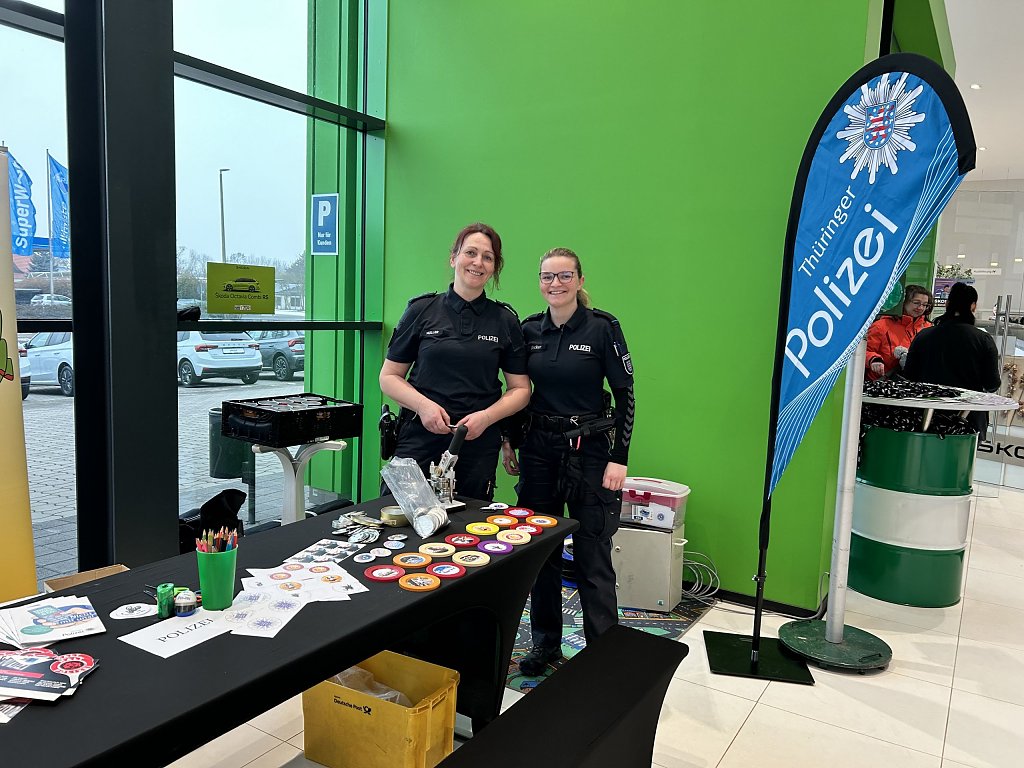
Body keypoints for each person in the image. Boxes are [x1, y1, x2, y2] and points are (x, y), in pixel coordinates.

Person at [502, 247, 635, 676]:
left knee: (593, 553)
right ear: (539, 282)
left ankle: (602, 654)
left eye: (564, 276)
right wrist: (509, 441)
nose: (555, 284)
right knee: (541, 551)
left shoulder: (602, 328)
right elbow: (517, 391)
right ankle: (545, 644)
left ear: (579, 280)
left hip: (590, 452)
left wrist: (619, 458)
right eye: (547, 276)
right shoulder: (529, 329)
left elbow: (626, 395)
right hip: (539, 450)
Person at [379, 223, 531, 501]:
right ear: (453, 258)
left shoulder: (505, 320)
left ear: (494, 267)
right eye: (470, 252)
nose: (478, 262)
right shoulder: (421, 310)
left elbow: (521, 389)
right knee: (402, 518)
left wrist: (487, 418)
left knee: (469, 523)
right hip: (419, 437)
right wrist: (423, 406)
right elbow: (389, 377)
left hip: (477, 443)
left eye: (488, 257)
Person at [904, 282, 1001, 437]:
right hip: (968, 419)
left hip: (925, 417)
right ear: (973, 306)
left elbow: (909, 375)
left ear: (947, 304)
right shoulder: (983, 339)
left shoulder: (924, 336)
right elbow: (992, 384)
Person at [865, 284, 932, 380]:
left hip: (917, 383)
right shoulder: (881, 326)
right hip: (883, 382)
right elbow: (864, 352)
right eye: (916, 303)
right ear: (903, 302)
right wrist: (874, 359)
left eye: (925, 305)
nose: (920, 308)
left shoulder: (929, 328)